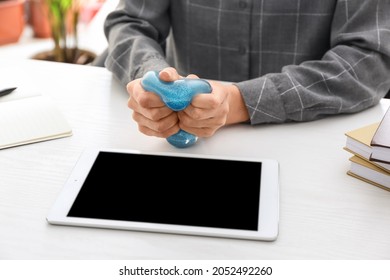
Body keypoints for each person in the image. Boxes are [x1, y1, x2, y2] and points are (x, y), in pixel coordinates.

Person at [97, 0, 390, 140]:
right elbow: (130, 23)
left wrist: (242, 101)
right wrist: (152, 78)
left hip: (305, 142)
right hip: (181, 141)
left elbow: (368, 60)